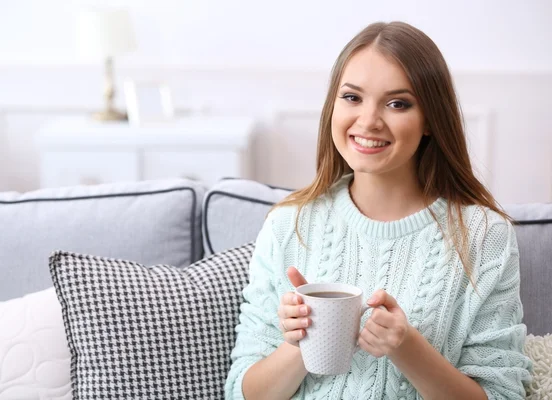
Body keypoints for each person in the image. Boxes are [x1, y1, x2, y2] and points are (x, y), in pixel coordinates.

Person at [224, 21, 532, 400]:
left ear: (431, 120)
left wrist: (407, 348)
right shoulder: (289, 225)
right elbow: (241, 392)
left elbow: (504, 394)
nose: (368, 121)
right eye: (352, 97)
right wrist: (304, 343)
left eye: (397, 103)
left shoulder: (485, 236)